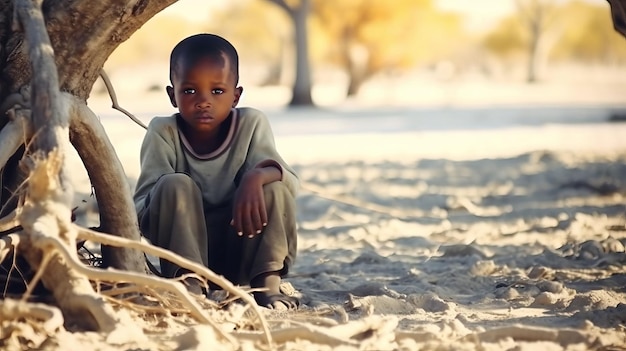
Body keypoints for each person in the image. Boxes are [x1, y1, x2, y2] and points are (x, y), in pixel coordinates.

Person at [133, 33, 299, 310]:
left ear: (236, 96)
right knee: (173, 184)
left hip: (242, 249)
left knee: (273, 184)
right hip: (184, 258)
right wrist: (172, 192)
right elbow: (141, 208)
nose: (203, 101)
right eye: (189, 91)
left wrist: (255, 177)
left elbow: (291, 185)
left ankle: (267, 285)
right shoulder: (163, 132)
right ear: (172, 95)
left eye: (217, 91)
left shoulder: (251, 124)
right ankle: (192, 285)